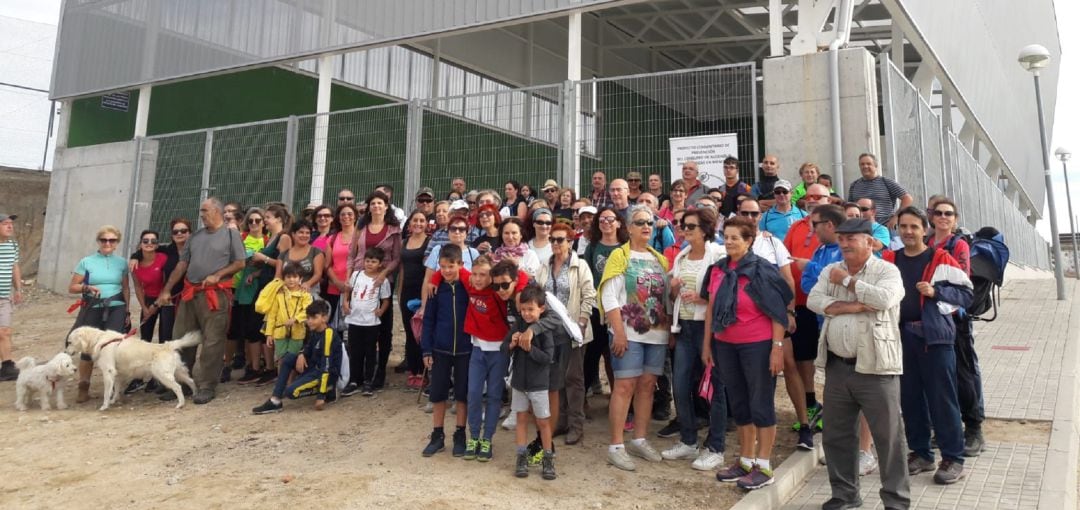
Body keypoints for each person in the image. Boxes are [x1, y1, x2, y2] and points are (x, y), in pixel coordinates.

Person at [807, 218, 910, 510]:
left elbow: (885, 298)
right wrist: (855, 305)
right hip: (837, 367)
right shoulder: (830, 269)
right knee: (837, 436)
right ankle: (845, 496)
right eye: (841, 237)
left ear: (869, 241)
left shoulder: (886, 270)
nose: (845, 243)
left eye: (852, 238)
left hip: (877, 367)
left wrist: (847, 283)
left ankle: (896, 501)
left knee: (888, 438)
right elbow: (815, 300)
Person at [884, 206, 972, 485]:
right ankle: (921, 453)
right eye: (903, 227)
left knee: (942, 398)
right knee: (910, 399)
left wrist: (937, 292)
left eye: (914, 227)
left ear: (925, 229)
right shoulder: (889, 259)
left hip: (934, 338)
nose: (908, 232)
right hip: (899, 338)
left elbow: (966, 294)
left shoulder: (941, 258)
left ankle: (953, 458)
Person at [704, 215, 793, 490]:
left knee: (760, 402)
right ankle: (745, 460)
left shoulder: (762, 270)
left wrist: (777, 348)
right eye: (726, 237)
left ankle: (764, 466)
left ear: (749, 241)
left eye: (735, 238)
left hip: (758, 344)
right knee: (740, 403)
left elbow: (777, 311)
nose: (729, 242)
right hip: (726, 344)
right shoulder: (718, 269)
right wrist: (707, 344)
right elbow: (710, 308)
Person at [598, 205, 671, 472]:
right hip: (627, 332)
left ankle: (639, 439)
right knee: (624, 386)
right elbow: (609, 297)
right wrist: (618, 332)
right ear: (627, 227)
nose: (646, 227)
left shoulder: (659, 259)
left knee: (647, 385)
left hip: (656, 333)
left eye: (650, 222)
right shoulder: (619, 256)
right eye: (640, 222)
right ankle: (616, 446)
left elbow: (664, 299)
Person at [156, 198, 247, 405]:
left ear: (217, 211)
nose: (201, 214)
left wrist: (218, 275)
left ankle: (207, 385)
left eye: (205, 210)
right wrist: (167, 290)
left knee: (213, 341)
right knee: (181, 338)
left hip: (215, 295)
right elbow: (182, 264)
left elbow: (240, 263)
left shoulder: (231, 235)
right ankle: (182, 383)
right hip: (190, 293)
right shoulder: (195, 236)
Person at [737, 198, 811, 448]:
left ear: (761, 215)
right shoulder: (729, 242)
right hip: (745, 319)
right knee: (751, 374)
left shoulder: (771, 241)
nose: (749, 217)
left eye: (754, 213)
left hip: (773, 314)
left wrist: (789, 312)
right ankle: (756, 429)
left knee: (788, 365)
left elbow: (787, 280)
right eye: (745, 213)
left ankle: (804, 425)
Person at [660, 208, 726, 470]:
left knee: (715, 389)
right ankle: (689, 441)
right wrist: (674, 291)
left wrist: (702, 298)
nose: (684, 230)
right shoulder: (682, 257)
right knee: (681, 384)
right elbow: (674, 297)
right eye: (682, 226)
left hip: (709, 329)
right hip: (685, 327)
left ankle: (716, 446)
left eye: (690, 226)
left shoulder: (718, 255)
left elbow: (723, 294)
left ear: (704, 229)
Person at [926, 197, 983, 456]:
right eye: (938, 213)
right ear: (931, 216)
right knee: (939, 377)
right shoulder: (926, 242)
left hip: (955, 319)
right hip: (931, 318)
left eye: (948, 213)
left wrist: (934, 288)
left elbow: (960, 279)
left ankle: (974, 429)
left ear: (955, 219)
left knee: (963, 374)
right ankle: (947, 427)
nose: (943, 217)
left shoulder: (958, 245)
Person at [536, 223, 597, 446]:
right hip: (550, 332)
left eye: (560, 239)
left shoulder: (580, 266)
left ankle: (576, 425)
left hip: (573, 331)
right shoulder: (544, 266)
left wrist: (581, 321)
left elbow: (589, 295)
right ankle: (559, 421)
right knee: (555, 378)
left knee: (574, 379)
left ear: (570, 242)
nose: (555, 243)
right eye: (552, 239)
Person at [782, 184, 832, 432]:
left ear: (828, 198)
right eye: (809, 196)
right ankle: (812, 404)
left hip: (827, 306)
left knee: (829, 360)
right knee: (804, 357)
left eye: (818, 196)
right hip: (800, 303)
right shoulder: (796, 226)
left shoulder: (834, 227)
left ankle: (833, 409)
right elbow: (785, 261)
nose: (813, 200)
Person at [68, 225, 131, 402]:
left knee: (113, 347)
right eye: (104, 240)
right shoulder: (86, 262)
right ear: (98, 241)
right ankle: (84, 386)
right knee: (88, 348)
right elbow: (72, 287)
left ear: (117, 243)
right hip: (93, 307)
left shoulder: (121, 263)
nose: (107, 243)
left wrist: (126, 310)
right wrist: (86, 286)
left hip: (116, 307)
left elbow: (125, 287)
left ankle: (111, 388)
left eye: (112, 240)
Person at [421, 244, 472, 458]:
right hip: (440, 348)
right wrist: (426, 350)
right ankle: (437, 434)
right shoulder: (436, 288)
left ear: (460, 264)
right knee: (438, 392)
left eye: (451, 266)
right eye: (443, 266)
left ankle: (460, 434)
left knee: (462, 393)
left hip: (465, 348)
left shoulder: (469, 287)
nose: (447, 270)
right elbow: (428, 320)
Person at [348, 191, 402, 390]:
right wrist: (348, 279)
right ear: (369, 207)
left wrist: (384, 273)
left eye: (380, 203)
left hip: (382, 283)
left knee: (383, 330)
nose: (376, 206)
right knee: (359, 330)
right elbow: (352, 254)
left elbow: (396, 257)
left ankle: (378, 374)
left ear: (387, 206)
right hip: (360, 280)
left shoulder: (393, 229)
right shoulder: (361, 226)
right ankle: (357, 376)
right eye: (373, 203)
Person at [505, 285, 558, 480]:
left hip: (539, 385)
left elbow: (547, 358)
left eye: (531, 309)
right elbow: (504, 347)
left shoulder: (544, 330)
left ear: (541, 309)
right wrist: (512, 343)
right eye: (524, 309)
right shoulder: (518, 325)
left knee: (543, 422)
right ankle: (521, 457)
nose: (526, 313)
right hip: (519, 383)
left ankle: (548, 458)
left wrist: (529, 349)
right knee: (520, 419)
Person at [252, 300, 343, 413]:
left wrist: (321, 396)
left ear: (324, 318)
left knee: (291, 392)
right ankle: (275, 400)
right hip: (313, 367)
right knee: (288, 358)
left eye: (314, 318)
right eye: (308, 318)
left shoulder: (328, 335)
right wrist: (301, 354)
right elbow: (308, 347)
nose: (309, 321)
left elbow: (326, 366)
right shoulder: (314, 331)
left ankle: (329, 389)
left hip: (324, 372)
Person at [583, 208, 625, 401]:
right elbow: (589, 278)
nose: (606, 222)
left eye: (610, 219)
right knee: (592, 355)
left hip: (621, 310)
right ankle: (580, 400)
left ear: (618, 222)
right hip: (596, 309)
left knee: (615, 355)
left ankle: (619, 398)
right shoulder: (592, 247)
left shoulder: (627, 247)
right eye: (601, 219)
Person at [342, 247, 393, 397]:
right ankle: (353, 381)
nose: (370, 264)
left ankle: (368, 381)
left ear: (380, 264)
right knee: (355, 351)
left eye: (373, 261)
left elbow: (386, 300)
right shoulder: (356, 275)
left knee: (370, 352)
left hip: (371, 322)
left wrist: (381, 311)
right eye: (367, 261)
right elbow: (348, 290)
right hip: (354, 319)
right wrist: (345, 301)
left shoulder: (381, 281)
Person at [399, 210, 431, 387]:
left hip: (423, 292)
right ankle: (413, 370)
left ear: (426, 223)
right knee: (410, 332)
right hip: (407, 292)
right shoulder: (404, 242)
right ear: (410, 224)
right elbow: (402, 269)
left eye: (422, 220)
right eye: (415, 220)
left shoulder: (429, 242)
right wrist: (400, 290)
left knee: (422, 332)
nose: (418, 223)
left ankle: (424, 371)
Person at [262, 263, 314, 368]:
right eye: (288, 277)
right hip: (280, 332)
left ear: (300, 278)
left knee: (292, 360)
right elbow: (272, 315)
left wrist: (295, 319)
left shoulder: (305, 295)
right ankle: (281, 382)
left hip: (298, 332)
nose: (291, 280)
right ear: (284, 278)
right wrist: (269, 334)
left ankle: (290, 383)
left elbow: (308, 311)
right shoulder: (279, 294)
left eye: (295, 277)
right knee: (281, 359)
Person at [847, 153, 914, 228]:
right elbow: (850, 206)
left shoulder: (886, 182)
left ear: (875, 166)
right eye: (862, 164)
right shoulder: (854, 185)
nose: (865, 166)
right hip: (861, 227)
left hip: (886, 226)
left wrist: (896, 217)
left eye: (868, 164)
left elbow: (908, 199)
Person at [131, 230, 171, 345]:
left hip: (165, 299)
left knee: (165, 337)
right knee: (145, 336)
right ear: (140, 244)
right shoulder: (135, 264)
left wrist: (157, 304)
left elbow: (166, 284)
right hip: (148, 299)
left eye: (153, 241)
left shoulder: (163, 258)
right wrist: (144, 307)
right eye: (145, 241)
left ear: (157, 245)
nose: (149, 243)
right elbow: (138, 287)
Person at [321, 203, 358, 326]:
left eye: (350, 214)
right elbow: (327, 265)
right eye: (343, 214)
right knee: (334, 326)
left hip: (355, 288)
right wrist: (337, 282)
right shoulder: (331, 239)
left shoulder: (361, 237)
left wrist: (349, 283)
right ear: (338, 217)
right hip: (334, 288)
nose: (346, 217)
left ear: (355, 216)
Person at [0, 213, 23, 381]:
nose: (10, 226)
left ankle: (7, 366)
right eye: (5, 224)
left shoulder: (13, 245)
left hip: (4, 296)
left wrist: (18, 289)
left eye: (11, 223)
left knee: (5, 331)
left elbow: (14, 267)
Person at [275, 220, 325, 290]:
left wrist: (308, 284)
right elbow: (278, 276)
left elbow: (318, 274)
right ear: (293, 234)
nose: (304, 235)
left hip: (308, 292)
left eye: (307, 233)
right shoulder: (283, 255)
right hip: (286, 293)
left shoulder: (316, 252)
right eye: (301, 232)